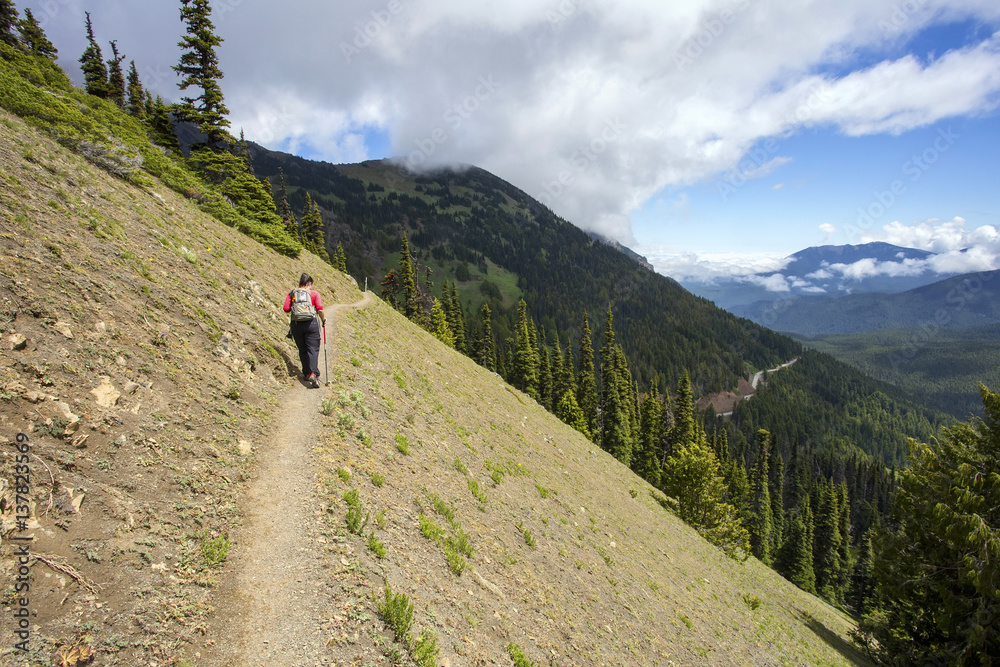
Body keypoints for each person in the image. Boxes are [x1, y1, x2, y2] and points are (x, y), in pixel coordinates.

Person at [283, 273, 326, 388]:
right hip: (311, 324)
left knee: (302, 349)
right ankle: (314, 373)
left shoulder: (292, 293)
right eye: (310, 285)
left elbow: (286, 309)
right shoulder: (314, 293)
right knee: (313, 349)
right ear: (308, 283)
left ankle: (306, 373)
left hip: (296, 325)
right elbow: (320, 309)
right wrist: (323, 320)